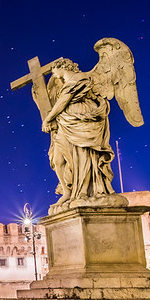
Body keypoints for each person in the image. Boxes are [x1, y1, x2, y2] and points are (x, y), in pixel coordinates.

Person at [42, 58, 114, 206]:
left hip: (81, 120)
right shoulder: (64, 84)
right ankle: (67, 192)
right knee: (57, 160)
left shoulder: (80, 78)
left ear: (62, 67)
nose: (53, 75)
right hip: (65, 122)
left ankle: (83, 191)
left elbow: (63, 101)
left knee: (82, 157)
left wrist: (48, 119)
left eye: (54, 71)